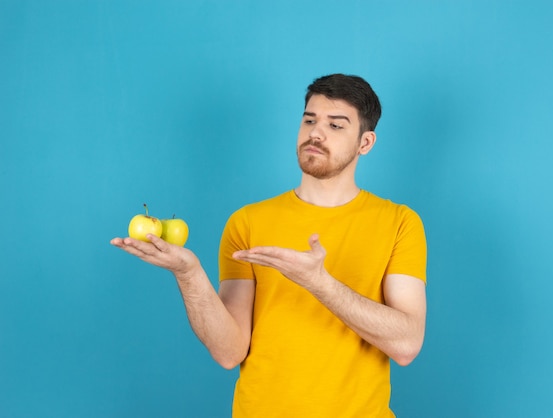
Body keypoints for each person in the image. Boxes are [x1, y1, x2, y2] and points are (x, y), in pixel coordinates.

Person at [111, 74, 427, 417]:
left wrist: (320, 284)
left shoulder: (399, 223)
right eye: (309, 120)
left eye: (336, 126)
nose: (315, 133)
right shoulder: (247, 222)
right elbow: (229, 352)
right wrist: (188, 273)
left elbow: (407, 343)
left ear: (365, 143)